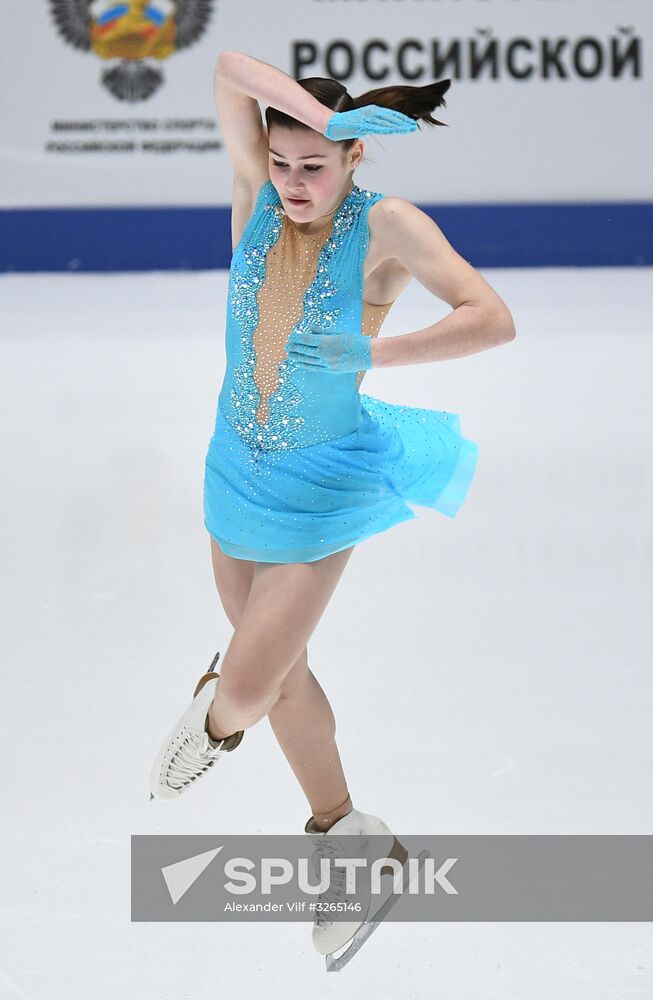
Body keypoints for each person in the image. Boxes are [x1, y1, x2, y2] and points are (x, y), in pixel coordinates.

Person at [149, 50, 516, 956]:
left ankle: (219, 701)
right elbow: (229, 69)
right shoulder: (256, 195)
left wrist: (377, 355)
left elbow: (489, 314)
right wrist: (313, 118)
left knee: (242, 691)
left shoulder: (384, 224)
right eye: (282, 161)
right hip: (233, 469)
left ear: (356, 159)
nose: (293, 181)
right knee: (284, 681)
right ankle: (350, 838)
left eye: (315, 164)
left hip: (323, 482)